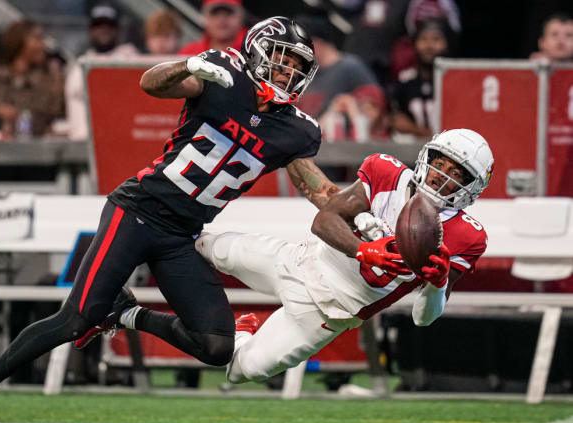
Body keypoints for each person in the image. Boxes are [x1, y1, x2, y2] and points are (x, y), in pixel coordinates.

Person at [0, 16, 341, 423]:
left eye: (298, 66)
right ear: (259, 50)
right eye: (283, 60)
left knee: (218, 346)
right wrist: (189, 66)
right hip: (137, 210)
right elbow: (152, 83)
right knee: (75, 319)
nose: (288, 72)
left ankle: (126, 315)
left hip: (181, 233)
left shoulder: (297, 129)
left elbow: (318, 189)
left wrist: (366, 219)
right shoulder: (223, 74)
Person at [194, 128, 494, 384]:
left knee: (244, 371)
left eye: (455, 173)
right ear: (426, 158)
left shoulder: (467, 235)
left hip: (329, 313)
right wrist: (363, 249)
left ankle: (244, 329)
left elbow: (423, 318)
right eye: (440, 163)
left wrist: (439, 282)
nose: (441, 177)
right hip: (301, 261)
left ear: (471, 187)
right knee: (205, 246)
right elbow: (323, 221)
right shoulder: (386, 172)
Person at [0, 19, 64, 140]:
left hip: (33, 152)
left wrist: (20, 118)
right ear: (19, 41)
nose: (43, 45)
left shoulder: (48, 81)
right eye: (37, 38)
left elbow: (55, 120)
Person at [65, 2, 139, 140]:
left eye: (109, 26)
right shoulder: (78, 65)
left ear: (117, 29)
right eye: (98, 25)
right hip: (81, 144)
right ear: (90, 30)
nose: (104, 30)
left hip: (119, 141)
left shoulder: (130, 59)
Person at [294, 15, 381, 120]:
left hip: (342, 134)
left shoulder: (350, 67)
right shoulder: (306, 74)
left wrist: (350, 105)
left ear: (315, 42)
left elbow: (376, 107)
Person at [390, 20, 450, 139]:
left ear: (446, 44)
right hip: (413, 148)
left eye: (436, 39)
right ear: (414, 44)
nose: (429, 46)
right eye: (423, 39)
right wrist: (422, 132)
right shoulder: (405, 80)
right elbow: (397, 121)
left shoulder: (453, 80)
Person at [178, 0, 246, 55]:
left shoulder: (252, 51)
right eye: (215, 13)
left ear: (241, 17)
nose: (222, 19)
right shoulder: (188, 53)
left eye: (229, 13)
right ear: (204, 18)